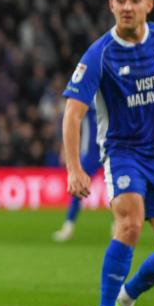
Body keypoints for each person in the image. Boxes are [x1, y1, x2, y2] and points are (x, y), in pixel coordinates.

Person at [63, 0, 154, 306]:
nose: (127, 6)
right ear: (110, 5)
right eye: (120, 0)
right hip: (124, 154)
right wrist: (74, 168)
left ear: (149, 4)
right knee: (130, 223)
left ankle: (127, 298)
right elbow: (73, 113)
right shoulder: (99, 54)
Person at [52, 103, 101, 242]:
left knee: (119, 189)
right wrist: (65, 148)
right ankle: (68, 226)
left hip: (112, 148)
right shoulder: (89, 97)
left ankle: (118, 226)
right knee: (78, 188)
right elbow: (72, 117)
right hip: (91, 152)